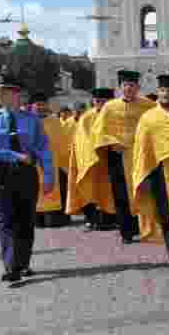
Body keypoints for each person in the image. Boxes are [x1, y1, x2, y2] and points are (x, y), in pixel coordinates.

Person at [0, 73, 54, 283]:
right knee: (5, 219)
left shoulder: (32, 120)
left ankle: (23, 262)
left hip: (26, 175)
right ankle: (12, 266)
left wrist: (48, 176)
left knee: (25, 219)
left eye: (5, 91)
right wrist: (14, 155)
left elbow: (43, 149)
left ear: (18, 95)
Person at [130, 74, 169, 272]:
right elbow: (142, 150)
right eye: (162, 91)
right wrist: (144, 176)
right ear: (158, 92)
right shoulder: (148, 119)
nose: (165, 94)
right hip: (160, 175)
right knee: (167, 217)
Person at [93, 71, 153, 244]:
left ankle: (145, 227)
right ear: (120, 88)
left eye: (132, 85)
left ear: (138, 87)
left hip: (141, 155)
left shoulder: (148, 105)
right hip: (118, 157)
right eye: (125, 85)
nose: (129, 89)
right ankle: (126, 231)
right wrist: (112, 143)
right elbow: (100, 130)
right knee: (121, 194)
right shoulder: (109, 107)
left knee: (143, 191)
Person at [66, 88, 117, 231]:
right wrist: (94, 151)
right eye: (98, 101)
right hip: (91, 159)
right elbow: (82, 139)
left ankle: (111, 219)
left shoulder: (116, 115)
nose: (101, 104)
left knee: (111, 190)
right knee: (91, 189)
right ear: (93, 102)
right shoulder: (87, 117)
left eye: (104, 101)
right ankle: (93, 219)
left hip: (112, 158)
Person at [30, 93, 72, 228]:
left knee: (54, 191)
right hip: (33, 164)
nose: (41, 107)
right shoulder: (27, 121)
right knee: (35, 191)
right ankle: (37, 219)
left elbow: (62, 143)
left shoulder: (55, 121)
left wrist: (65, 163)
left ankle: (55, 219)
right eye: (38, 104)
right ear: (32, 106)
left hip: (53, 164)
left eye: (43, 104)